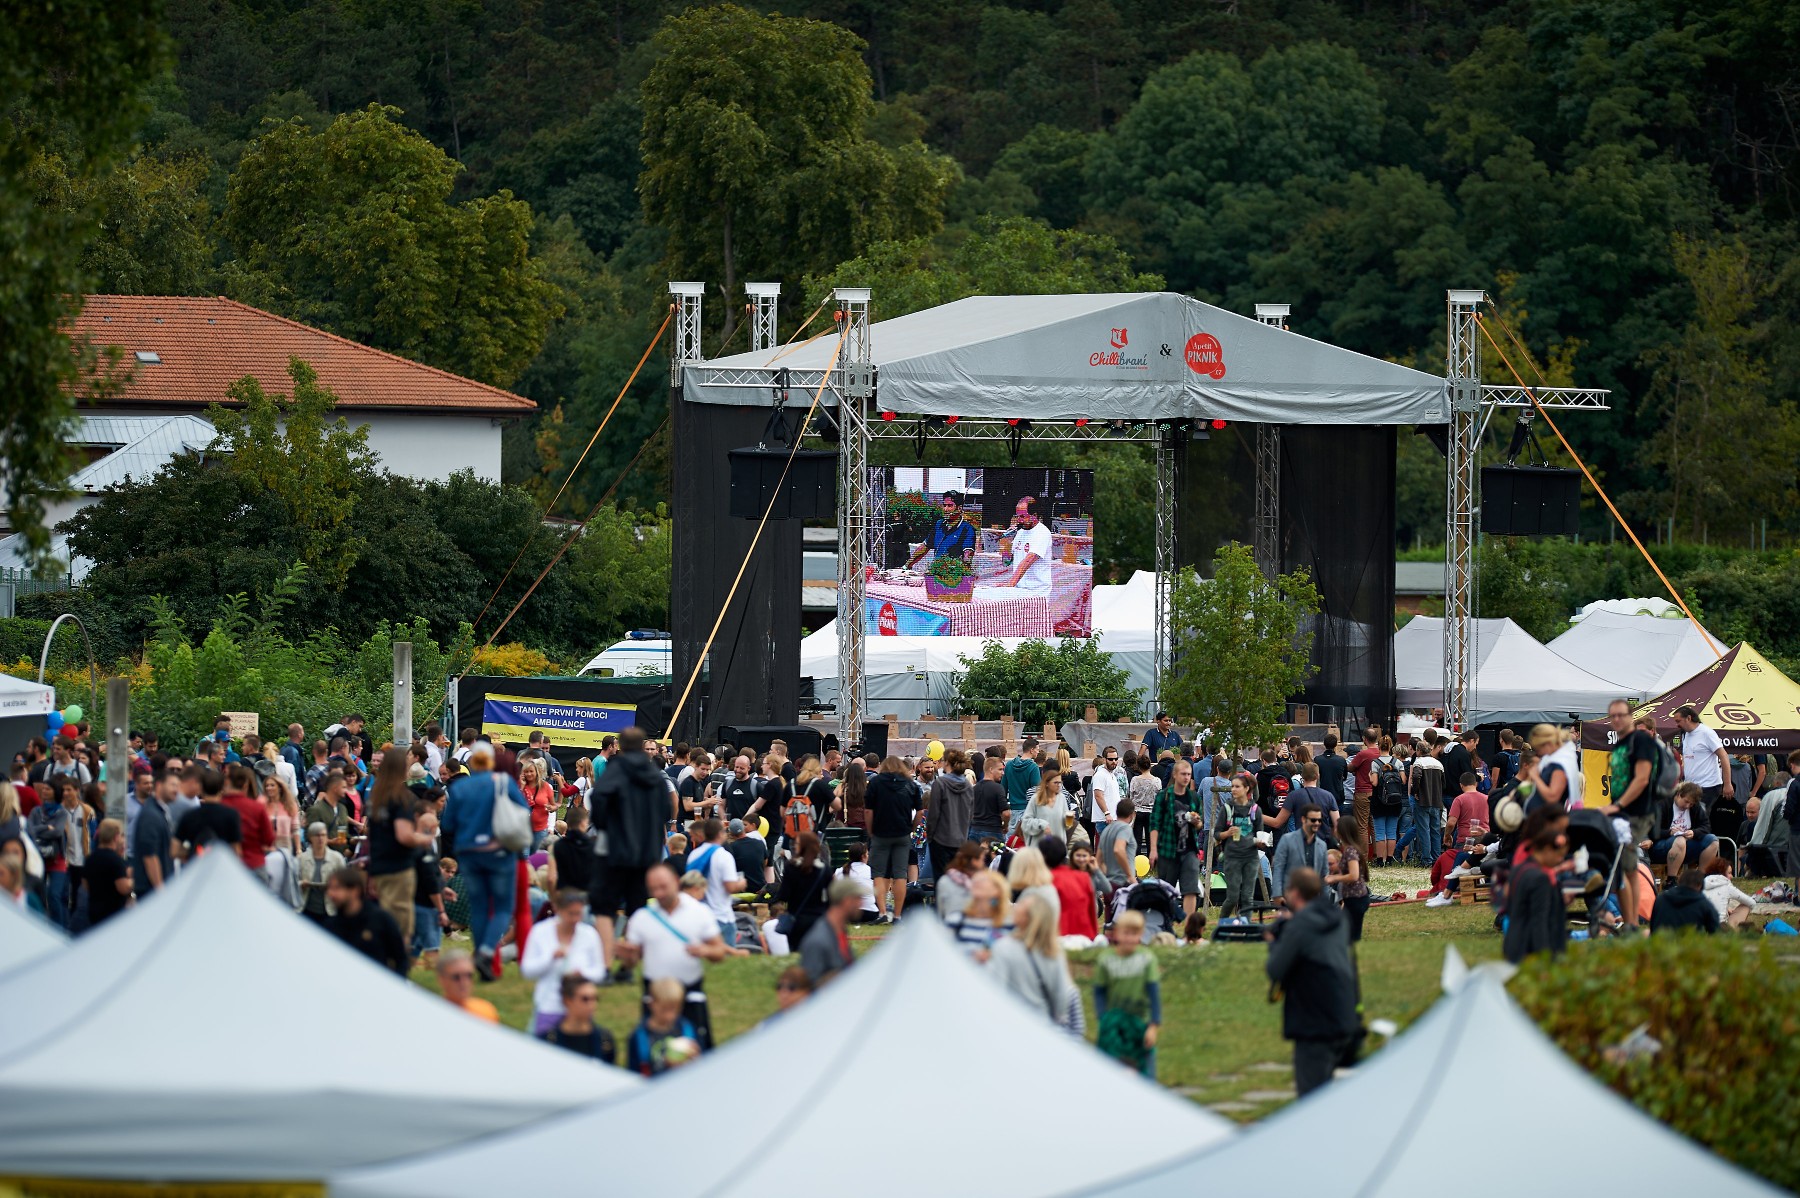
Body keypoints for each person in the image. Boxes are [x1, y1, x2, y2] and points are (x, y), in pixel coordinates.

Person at [441, 741, 530, 981]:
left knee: (479, 907)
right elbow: (524, 810)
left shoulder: (460, 787)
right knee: (502, 907)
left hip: (469, 853)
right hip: (498, 852)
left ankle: (482, 961)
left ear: (471, 762)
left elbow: (447, 824)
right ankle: (487, 952)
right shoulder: (502, 783)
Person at [1265, 866, 1356, 1096]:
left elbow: (1275, 969)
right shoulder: (1338, 918)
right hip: (1343, 1013)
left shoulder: (1299, 925)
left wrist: (1276, 941)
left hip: (1313, 1019)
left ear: (1294, 893)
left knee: (1311, 1096)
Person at [620, 862, 728, 1050]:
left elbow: (719, 952)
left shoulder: (699, 912)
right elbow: (631, 963)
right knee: (654, 1051)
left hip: (690, 993)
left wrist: (705, 951)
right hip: (655, 996)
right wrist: (627, 957)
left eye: (663, 887)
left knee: (697, 1050)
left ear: (676, 882)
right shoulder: (641, 917)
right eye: (653, 889)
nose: (659, 893)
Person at [363, 754, 432, 947]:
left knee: (384, 918)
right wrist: (424, 838)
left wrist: (371, 871)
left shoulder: (376, 797)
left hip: (379, 867)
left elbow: (371, 836)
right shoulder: (402, 798)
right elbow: (404, 835)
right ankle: (398, 962)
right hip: (399, 867)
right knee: (401, 924)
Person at [986, 893, 1080, 1033]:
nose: (1016, 906)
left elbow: (994, 991)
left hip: (1010, 1028)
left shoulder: (1004, 948)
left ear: (1027, 917)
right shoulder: (1054, 952)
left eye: (1021, 905)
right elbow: (1062, 1001)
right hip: (1044, 1028)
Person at [521, 889, 606, 1034]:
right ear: (558, 910)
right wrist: (550, 958)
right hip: (548, 1005)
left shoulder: (589, 934)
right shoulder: (540, 931)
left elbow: (600, 971)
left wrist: (582, 973)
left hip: (579, 1006)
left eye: (579, 914)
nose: (575, 919)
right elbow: (527, 970)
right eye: (570, 914)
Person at [1093, 909, 1162, 1077]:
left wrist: (1153, 1025)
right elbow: (1099, 991)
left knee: (1145, 1069)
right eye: (1126, 933)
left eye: (1134, 934)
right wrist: (1103, 1018)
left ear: (1141, 934)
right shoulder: (1106, 960)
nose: (1130, 938)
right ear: (1117, 933)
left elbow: (1154, 994)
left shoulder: (1147, 959)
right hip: (1115, 1023)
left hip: (1140, 1022)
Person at [326, 866, 409, 975]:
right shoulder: (331, 926)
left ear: (354, 890)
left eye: (337, 888)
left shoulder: (380, 920)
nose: (331, 894)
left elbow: (401, 959)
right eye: (329, 888)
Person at [1148, 758, 1205, 918]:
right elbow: (1154, 823)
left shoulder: (1193, 797)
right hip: (1168, 850)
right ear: (1175, 775)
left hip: (1189, 849)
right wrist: (1153, 850)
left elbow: (1200, 824)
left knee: (1191, 889)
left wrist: (1197, 822)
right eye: (1183, 774)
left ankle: (1189, 926)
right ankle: (1163, 922)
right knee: (1166, 890)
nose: (1186, 777)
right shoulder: (1164, 796)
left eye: (1189, 774)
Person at [866, 756, 917, 923]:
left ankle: (881, 912)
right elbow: (920, 811)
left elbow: (868, 811)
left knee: (878, 873)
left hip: (880, 832)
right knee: (900, 874)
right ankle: (897, 915)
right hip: (902, 833)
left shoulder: (875, 783)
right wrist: (912, 828)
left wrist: (870, 830)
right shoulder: (910, 784)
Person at [973, 495, 1053, 600]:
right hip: (1019, 589)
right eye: (1017, 516)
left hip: (1036, 591)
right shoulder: (1020, 532)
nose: (1019, 520)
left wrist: (1011, 583)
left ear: (1034, 515)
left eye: (1023, 517)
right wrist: (1006, 541)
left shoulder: (1042, 533)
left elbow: (1028, 560)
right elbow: (1008, 561)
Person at [684, 817, 745, 945]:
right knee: (726, 955)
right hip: (720, 915)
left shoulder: (694, 855)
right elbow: (730, 887)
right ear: (719, 834)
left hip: (698, 914)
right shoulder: (724, 856)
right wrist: (741, 883)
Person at [627, 977, 702, 1077]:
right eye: (664, 1010)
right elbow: (633, 1072)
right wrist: (667, 1065)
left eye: (675, 1010)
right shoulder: (639, 1037)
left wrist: (696, 1055)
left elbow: (702, 1063)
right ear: (651, 1004)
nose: (669, 1016)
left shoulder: (688, 1029)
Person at [800, 873, 867, 984]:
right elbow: (810, 985)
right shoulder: (818, 941)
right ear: (847, 901)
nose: (861, 904)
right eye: (858, 899)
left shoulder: (838, 931)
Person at [773, 831, 833, 944]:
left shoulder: (791, 867)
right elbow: (830, 897)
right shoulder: (824, 869)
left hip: (796, 918)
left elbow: (784, 894)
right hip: (818, 919)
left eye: (797, 844)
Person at [1217, 775, 1262, 918]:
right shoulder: (1227, 808)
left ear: (1247, 788)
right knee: (1233, 897)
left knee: (1247, 897)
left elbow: (1259, 833)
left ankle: (1246, 927)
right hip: (1232, 857)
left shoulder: (1255, 809)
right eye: (1232, 786)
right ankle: (1222, 924)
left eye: (1237, 786)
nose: (1233, 789)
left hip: (1251, 857)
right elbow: (1216, 834)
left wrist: (1261, 842)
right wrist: (1227, 833)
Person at [1673, 703, 1731, 812]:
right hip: (1691, 786)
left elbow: (1723, 756)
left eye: (1678, 721)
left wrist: (1727, 783)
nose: (1677, 725)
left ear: (1688, 718)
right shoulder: (1685, 735)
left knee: (1699, 816)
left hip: (1708, 786)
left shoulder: (1706, 733)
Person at [925, 748, 973, 880]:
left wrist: (930, 836)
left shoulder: (940, 783)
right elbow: (970, 814)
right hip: (960, 839)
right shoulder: (968, 786)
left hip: (941, 839)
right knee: (957, 880)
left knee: (941, 879)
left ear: (946, 763)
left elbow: (934, 813)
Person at [1042, 835, 1098, 941]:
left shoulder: (1047, 879)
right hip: (1085, 934)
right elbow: (1091, 911)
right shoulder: (1084, 877)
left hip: (1059, 935)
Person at [906, 488, 978, 570]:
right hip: (935, 571)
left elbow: (968, 554)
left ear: (959, 508)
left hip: (954, 573)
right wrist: (907, 565)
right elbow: (924, 547)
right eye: (944, 505)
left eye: (950, 506)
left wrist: (963, 569)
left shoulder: (967, 529)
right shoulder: (939, 524)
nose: (945, 509)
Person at [1326, 814, 1370, 941]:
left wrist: (1334, 878)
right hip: (1353, 898)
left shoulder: (1350, 851)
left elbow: (1354, 875)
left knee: (1351, 935)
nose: (1334, 830)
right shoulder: (1349, 849)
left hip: (1356, 898)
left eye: (1336, 827)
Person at [1272, 804, 1329, 901]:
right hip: (1290, 897)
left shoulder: (1322, 845)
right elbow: (1278, 868)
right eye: (1313, 820)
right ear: (1303, 819)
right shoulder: (1287, 840)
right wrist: (1278, 895)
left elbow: (1324, 876)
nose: (1317, 823)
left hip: (1313, 899)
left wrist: (1325, 901)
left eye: (1319, 820)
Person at [85, 818, 132, 926]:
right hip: (113, 917)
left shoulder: (90, 859)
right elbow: (123, 888)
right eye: (121, 835)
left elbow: (85, 885)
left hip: (94, 915)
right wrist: (134, 882)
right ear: (116, 837)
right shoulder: (115, 860)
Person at [1650, 866, 1720, 934]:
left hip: (1661, 940)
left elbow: (1652, 926)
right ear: (1700, 886)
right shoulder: (1704, 904)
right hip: (1689, 941)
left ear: (1679, 882)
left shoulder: (1661, 899)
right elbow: (1715, 931)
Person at [435, 949, 500, 1022]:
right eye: (456, 977)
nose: (464, 982)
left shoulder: (486, 1011)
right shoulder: (433, 1016)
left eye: (469, 976)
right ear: (441, 979)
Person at [1701, 858, 1757, 929]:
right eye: (1729, 873)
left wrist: (1726, 908)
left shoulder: (1701, 884)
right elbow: (1751, 902)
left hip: (1701, 927)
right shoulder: (1726, 885)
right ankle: (1734, 929)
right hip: (1720, 928)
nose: (1732, 876)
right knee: (1746, 906)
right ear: (1722, 873)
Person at [1097, 796, 1137, 894]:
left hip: (1108, 884)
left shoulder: (1107, 830)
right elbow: (1118, 849)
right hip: (1123, 883)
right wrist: (1130, 876)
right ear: (1132, 814)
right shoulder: (1125, 828)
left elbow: (1098, 860)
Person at [1003, 738, 1042, 838]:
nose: (1038, 752)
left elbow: (1003, 788)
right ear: (1031, 750)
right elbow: (1036, 791)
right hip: (1027, 809)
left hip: (1012, 809)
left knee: (1010, 841)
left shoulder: (1009, 765)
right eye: (1037, 749)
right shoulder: (1033, 767)